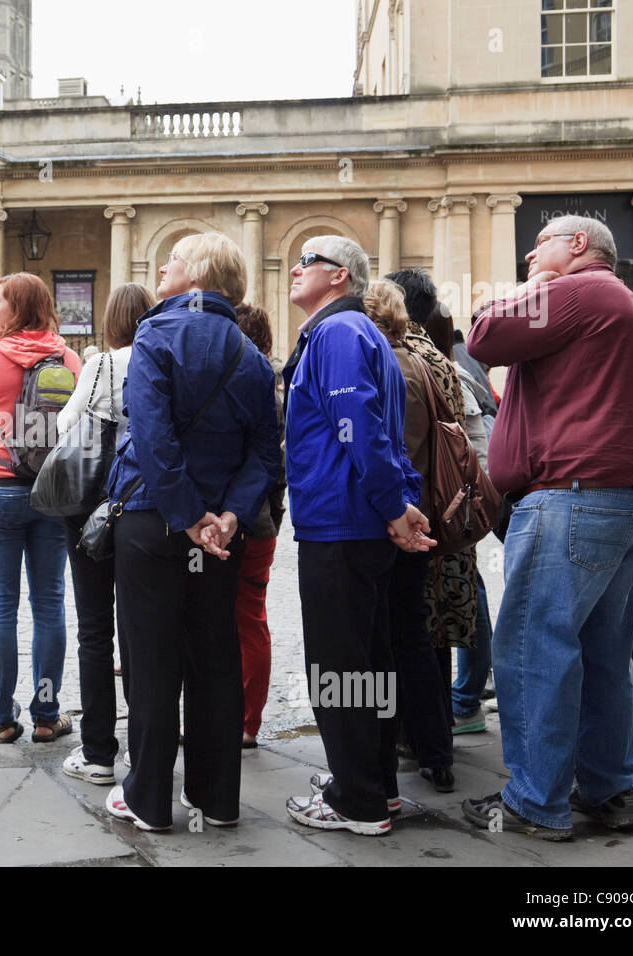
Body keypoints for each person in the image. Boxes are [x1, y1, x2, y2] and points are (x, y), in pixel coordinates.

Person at [462, 215, 633, 839]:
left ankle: (534, 799)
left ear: (578, 246)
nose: (528, 253)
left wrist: (511, 298)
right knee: (603, 653)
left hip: (573, 496)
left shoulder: (580, 291)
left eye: (541, 242)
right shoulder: (628, 305)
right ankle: (610, 790)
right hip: (624, 497)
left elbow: (485, 336)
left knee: (531, 646)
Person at [104, 234, 279, 832]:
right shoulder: (253, 357)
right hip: (222, 538)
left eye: (172, 261)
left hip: (156, 522)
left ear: (197, 275)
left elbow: (152, 437)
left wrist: (187, 515)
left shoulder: (155, 335)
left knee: (151, 663)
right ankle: (216, 799)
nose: (161, 269)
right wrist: (227, 515)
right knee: (214, 660)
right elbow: (264, 451)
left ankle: (149, 799)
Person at [280, 236, 431, 837]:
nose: (295, 269)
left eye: (307, 262)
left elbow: (359, 430)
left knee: (340, 666)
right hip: (355, 522)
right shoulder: (358, 333)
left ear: (339, 276)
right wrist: (398, 504)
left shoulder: (339, 333)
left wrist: (395, 506)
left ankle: (356, 802)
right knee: (371, 660)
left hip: (340, 524)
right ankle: (374, 785)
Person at [0, 273, 82, 745]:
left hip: (0, 487)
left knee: (0, 606)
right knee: (49, 602)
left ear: (17, 310)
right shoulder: (68, 357)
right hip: (52, 491)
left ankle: (2, 717)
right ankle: (47, 714)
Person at [57, 282, 152, 785]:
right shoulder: (159, 360)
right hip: (141, 507)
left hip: (91, 506)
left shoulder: (103, 364)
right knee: (141, 630)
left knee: (95, 630)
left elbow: (66, 426)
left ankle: (97, 753)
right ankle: (144, 750)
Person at [364, 280, 456, 792]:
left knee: (377, 638)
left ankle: (380, 754)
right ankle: (436, 751)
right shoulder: (422, 363)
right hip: (421, 512)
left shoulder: (375, 364)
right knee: (414, 635)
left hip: (386, 518)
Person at [233, 303, 286, 749]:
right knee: (252, 617)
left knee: (242, 620)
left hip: (247, 521)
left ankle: (244, 719)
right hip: (266, 519)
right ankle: (248, 719)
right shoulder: (277, 381)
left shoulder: (250, 380)